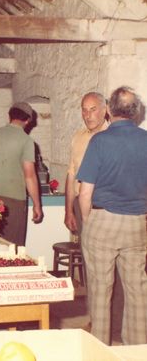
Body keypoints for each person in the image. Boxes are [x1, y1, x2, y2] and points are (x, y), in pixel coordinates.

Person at [77, 86, 147, 345]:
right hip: (138, 223)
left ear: (108, 110)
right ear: (136, 112)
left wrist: (88, 222)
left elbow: (85, 193)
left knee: (100, 291)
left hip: (103, 221)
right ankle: (138, 352)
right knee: (138, 292)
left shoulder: (100, 141)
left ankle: (99, 352)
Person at [0, 102, 43, 246]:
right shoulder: (26, 141)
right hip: (14, 201)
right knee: (11, 248)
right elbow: (30, 176)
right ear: (27, 121)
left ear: (9, 116)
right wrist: (37, 205)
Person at [64, 92, 108, 237]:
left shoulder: (112, 137)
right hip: (79, 204)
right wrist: (69, 211)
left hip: (103, 207)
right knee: (85, 255)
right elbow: (71, 175)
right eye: (84, 110)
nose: (87, 115)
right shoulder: (78, 137)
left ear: (105, 110)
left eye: (93, 109)